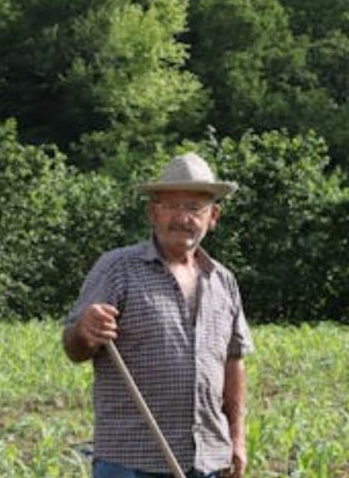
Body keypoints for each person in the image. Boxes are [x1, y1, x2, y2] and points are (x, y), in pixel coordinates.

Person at [62, 153, 254, 478]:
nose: (183, 218)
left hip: (206, 459)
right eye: (171, 207)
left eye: (194, 208)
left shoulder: (224, 282)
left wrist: (237, 438)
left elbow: (232, 363)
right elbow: (74, 348)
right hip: (130, 461)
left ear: (213, 216)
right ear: (153, 212)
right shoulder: (117, 268)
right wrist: (84, 329)